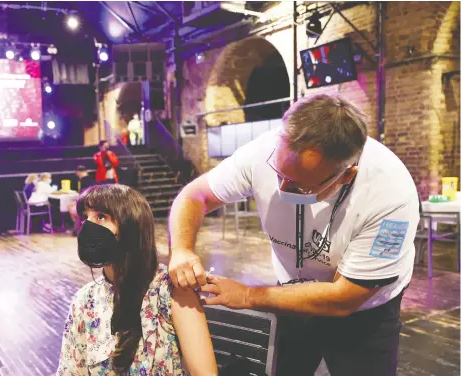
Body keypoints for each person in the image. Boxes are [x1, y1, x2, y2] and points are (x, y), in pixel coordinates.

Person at [168, 93, 419, 376]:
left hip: (364, 314)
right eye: (279, 172)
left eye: (300, 186)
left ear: (346, 175)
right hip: (289, 294)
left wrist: (248, 296)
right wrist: (182, 249)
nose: (283, 188)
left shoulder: (390, 195)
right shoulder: (262, 152)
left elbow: (345, 297)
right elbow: (195, 195)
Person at [57, 184, 217, 375]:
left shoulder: (171, 291)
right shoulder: (84, 300)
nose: (88, 227)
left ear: (131, 226)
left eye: (101, 217)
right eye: (85, 218)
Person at [67, 166, 95, 236]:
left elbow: (83, 195)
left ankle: (77, 229)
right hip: (92, 203)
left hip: (86, 204)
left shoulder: (83, 181)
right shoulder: (91, 179)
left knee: (71, 208)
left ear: (78, 172)